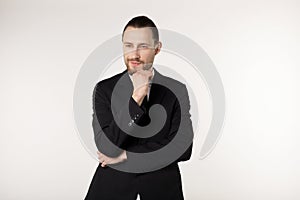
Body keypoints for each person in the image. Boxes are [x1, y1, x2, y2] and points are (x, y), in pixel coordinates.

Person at [85, 16, 194, 200]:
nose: (134, 54)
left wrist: (127, 156)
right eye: (128, 45)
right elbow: (107, 147)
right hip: (111, 190)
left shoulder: (176, 90)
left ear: (157, 48)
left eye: (142, 46)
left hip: (162, 191)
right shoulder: (104, 90)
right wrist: (136, 98)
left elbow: (183, 149)